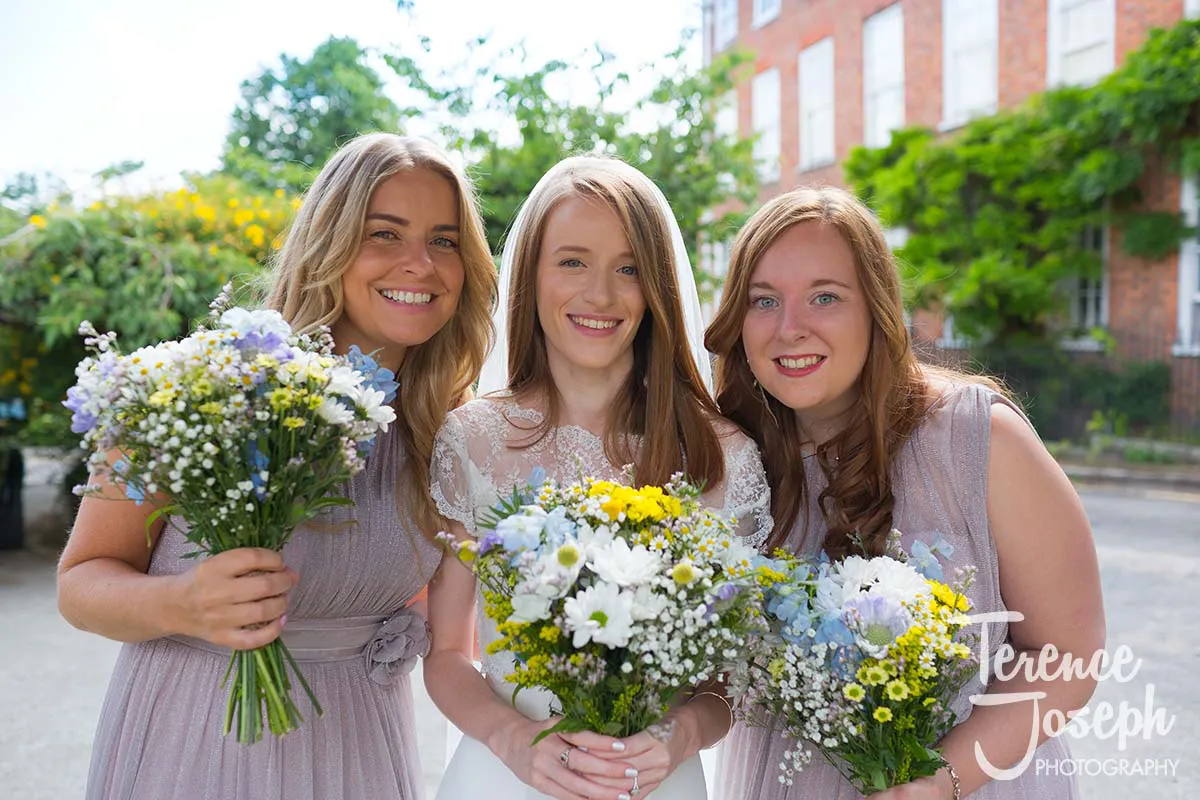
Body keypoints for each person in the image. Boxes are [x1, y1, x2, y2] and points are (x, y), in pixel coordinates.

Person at [57, 133, 497, 800]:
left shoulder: (450, 432)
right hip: (195, 742)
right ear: (329, 243)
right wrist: (181, 602)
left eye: (444, 241)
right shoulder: (201, 385)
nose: (421, 264)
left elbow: (453, 625)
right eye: (384, 234)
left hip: (362, 752)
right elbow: (79, 584)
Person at [706, 186, 1106, 799]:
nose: (790, 328)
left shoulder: (979, 439)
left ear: (876, 308)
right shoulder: (733, 459)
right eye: (764, 301)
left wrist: (939, 781)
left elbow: (1067, 653)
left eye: (825, 297)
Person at [425, 156, 773, 800]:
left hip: (655, 780)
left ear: (657, 287)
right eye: (572, 262)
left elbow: (730, 680)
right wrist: (511, 738)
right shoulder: (471, 441)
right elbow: (446, 655)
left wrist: (679, 735)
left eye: (628, 269)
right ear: (531, 275)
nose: (601, 296)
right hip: (506, 776)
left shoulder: (723, 458)